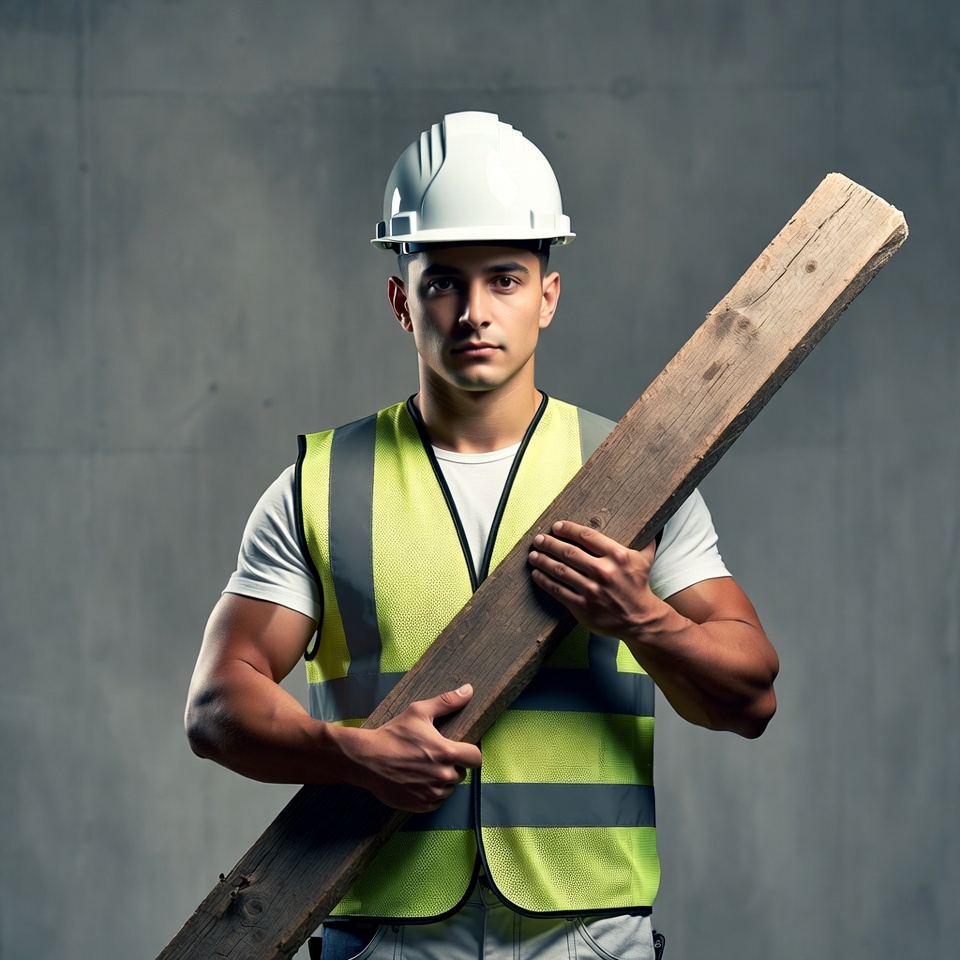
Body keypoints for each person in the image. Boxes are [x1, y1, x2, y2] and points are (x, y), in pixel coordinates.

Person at [185, 110, 779, 960]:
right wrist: (352, 753)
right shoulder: (320, 486)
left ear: (548, 294)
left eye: (504, 278)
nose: (472, 312)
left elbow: (752, 697)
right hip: (385, 936)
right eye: (441, 283)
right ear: (402, 299)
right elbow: (215, 707)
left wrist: (641, 618)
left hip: (585, 938)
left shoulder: (637, 480)